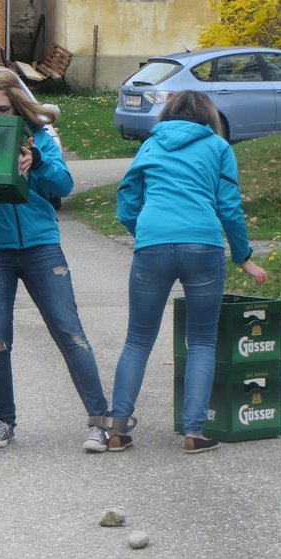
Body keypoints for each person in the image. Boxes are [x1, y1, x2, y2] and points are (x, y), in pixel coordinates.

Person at [107, 89, 268, 454]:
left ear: (167, 114)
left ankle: (117, 429)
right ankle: (194, 432)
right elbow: (229, 208)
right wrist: (243, 256)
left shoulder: (150, 145)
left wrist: (142, 231)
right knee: (202, 341)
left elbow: (127, 200)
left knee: (137, 340)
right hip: (202, 245)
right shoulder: (218, 148)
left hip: (152, 245)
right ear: (208, 117)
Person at [0, 69, 110, 451]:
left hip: (41, 245)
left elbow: (64, 184)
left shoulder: (40, 138)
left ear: (17, 107)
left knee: (69, 332)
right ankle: (4, 422)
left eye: (1, 110)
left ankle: (101, 423)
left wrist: (38, 161)